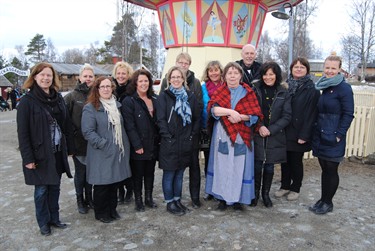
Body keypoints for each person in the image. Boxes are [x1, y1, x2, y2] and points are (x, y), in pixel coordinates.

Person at [17, 62, 73, 236]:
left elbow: (66, 125)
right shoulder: (27, 102)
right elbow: (23, 133)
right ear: (34, 77)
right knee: (41, 190)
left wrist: (69, 147)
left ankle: (54, 218)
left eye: (49, 75)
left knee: (55, 187)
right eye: (42, 75)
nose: (46, 78)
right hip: (39, 154)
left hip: (56, 151)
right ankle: (43, 223)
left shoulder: (57, 98)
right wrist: (28, 158)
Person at [205, 62, 263, 211]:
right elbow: (213, 110)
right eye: (229, 73)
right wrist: (231, 112)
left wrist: (241, 117)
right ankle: (222, 198)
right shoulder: (220, 91)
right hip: (223, 133)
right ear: (225, 76)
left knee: (239, 166)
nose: (232, 76)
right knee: (222, 166)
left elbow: (255, 115)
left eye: (235, 73)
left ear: (240, 75)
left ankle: (238, 199)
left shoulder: (248, 92)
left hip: (241, 135)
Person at [81, 76, 131, 223]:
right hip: (101, 152)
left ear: (112, 88)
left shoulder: (116, 105)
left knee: (114, 182)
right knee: (102, 184)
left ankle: (112, 209)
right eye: (102, 87)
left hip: (117, 151)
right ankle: (101, 212)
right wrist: (104, 144)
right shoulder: (90, 108)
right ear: (97, 89)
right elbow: (88, 132)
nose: (106, 89)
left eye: (108, 86)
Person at [310, 53, 354, 215]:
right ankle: (323, 199)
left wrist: (339, 134)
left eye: (333, 68)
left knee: (331, 169)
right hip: (321, 134)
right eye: (327, 68)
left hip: (333, 135)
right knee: (324, 168)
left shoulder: (344, 88)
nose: (329, 71)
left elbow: (349, 114)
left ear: (339, 69)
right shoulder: (324, 86)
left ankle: (328, 202)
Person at [161, 52, 203, 208]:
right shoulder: (165, 96)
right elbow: (161, 119)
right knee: (169, 172)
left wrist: (192, 135)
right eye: (173, 77)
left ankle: (177, 200)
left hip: (185, 140)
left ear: (183, 79)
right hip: (170, 141)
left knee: (179, 173)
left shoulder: (190, 96)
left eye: (179, 77)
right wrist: (167, 136)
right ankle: (169, 202)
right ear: (169, 79)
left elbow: (196, 116)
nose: (176, 79)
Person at [274, 58, 320, 201]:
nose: (298, 69)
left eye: (302, 67)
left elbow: (311, 114)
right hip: (285, 129)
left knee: (296, 161)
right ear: (291, 69)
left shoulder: (311, 89)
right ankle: (285, 185)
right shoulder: (285, 86)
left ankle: (296, 187)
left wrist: (305, 134)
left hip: (300, 131)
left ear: (307, 70)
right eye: (296, 67)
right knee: (284, 160)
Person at [252, 61, 292, 208]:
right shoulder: (255, 89)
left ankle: (265, 194)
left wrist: (271, 129)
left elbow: (287, 116)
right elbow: (251, 110)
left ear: (276, 75)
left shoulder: (283, 91)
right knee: (257, 165)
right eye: (265, 74)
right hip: (257, 132)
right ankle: (254, 194)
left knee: (269, 166)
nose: (268, 77)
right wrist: (260, 126)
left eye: (271, 74)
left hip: (274, 134)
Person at [122, 69, 160, 212]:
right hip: (138, 144)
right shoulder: (129, 101)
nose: (143, 83)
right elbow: (129, 126)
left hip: (153, 143)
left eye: (146, 81)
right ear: (135, 83)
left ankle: (148, 198)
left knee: (150, 172)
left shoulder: (155, 99)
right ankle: (138, 200)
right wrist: (137, 144)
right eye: (140, 81)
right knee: (138, 174)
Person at [64, 63, 95, 214]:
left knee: (91, 173)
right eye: (85, 76)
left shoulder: (95, 95)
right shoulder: (71, 97)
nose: (88, 79)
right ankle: (79, 199)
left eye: (90, 76)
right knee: (81, 173)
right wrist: (69, 144)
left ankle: (89, 198)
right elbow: (64, 121)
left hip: (93, 144)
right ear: (79, 77)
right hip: (78, 143)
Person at [200, 60, 224, 201]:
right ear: (207, 73)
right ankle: (210, 189)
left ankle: (221, 187)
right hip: (207, 127)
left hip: (223, 127)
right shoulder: (203, 87)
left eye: (216, 70)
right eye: (211, 70)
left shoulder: (225, 86)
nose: (214, 73)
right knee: (209, 159)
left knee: (222, 159)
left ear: (221, 71)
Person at [112, 61, 134, 204]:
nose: (121, 76)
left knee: (129, 162)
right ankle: (119, 190)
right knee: (117, 161)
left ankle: (129, 189)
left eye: (123, 73)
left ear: (128, 75)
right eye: (118, 73)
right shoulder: (111, 89)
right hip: (115, 130)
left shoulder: (131, 90)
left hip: (128, 129)